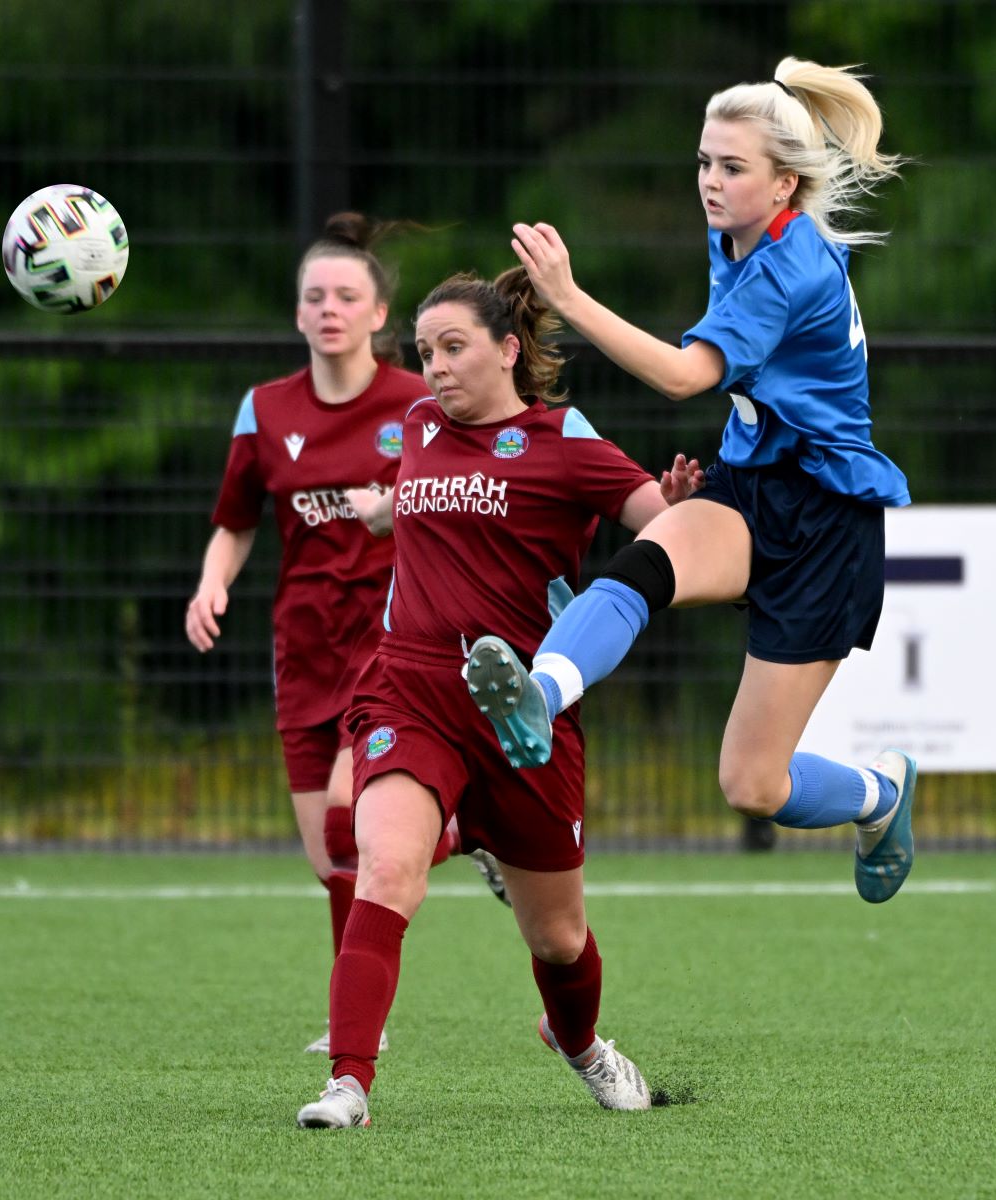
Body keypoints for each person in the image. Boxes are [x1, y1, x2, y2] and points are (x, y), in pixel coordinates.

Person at [466, 57, 917, 905]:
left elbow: (683, 377)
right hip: (752, 489)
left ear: (783, 183)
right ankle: (538, 693)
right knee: (641, 562)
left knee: (751, 785)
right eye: (704, 161)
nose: (709, 181)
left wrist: (566, 295)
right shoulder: (739, 233)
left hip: (827, 525)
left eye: (732, 166)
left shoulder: (789, 266)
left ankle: (880, 793)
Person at [294, 264, 702, 1130]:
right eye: (425, 351)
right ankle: (349, 1082)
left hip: (524, 712)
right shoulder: (417, 426)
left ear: (508, 350)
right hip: (409, 690)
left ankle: (581, 1043)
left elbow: (654, 526)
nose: (434, 367)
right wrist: (377, 510)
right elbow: (413, 506)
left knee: (557, 940)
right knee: (384, 867)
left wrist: (669, 503)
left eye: (453, 348)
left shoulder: (562, 440)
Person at [185, 212, 508, 1056]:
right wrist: (211, 584)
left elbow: (485, 482)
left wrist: (391, 507)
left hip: (393, 645)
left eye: (347, 296)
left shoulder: (418, 403)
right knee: (330, 861)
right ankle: (358, 1009)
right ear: (297, 315)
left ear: (377, 316)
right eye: (313, 296)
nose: (328, 308)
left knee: (345, 824)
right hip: (304, 648)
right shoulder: (263, 410)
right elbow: (234, 520)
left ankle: (462, 835)